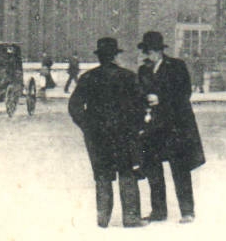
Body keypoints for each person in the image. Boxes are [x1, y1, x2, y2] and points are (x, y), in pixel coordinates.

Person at [67, 37, 147, 228]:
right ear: (115, 56)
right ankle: (131, 217)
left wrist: (87, 125)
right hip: (124, 135)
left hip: (97, 136)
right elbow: (140, 106)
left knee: (102, 175)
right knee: (127, 173)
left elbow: (74, 106)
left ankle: (103, 218)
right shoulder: (128, 77)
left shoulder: (88, 78)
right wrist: (135, 127)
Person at [135, 31, 205, 223]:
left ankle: (187, 211)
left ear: (156, 51)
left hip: (175, 126)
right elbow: (139, 92)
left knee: (180, 168)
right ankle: (158, 211)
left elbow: (184, 93)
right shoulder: (143, 71)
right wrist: (145, 100)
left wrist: (161, 99)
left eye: (147, 52)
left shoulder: (176, 66)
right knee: (153, 168)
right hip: (153, 127)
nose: (145, 56)